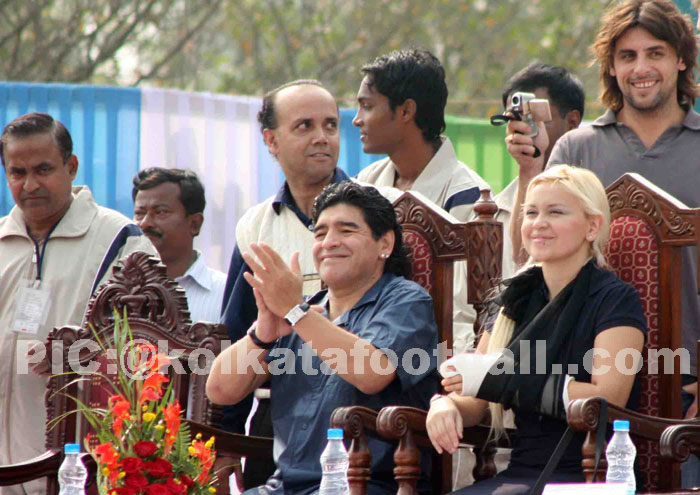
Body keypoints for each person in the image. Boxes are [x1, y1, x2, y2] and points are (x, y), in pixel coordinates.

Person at [505, 0, 699, 452]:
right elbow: (528, 254)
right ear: (611, 67)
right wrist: (529, 172)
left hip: (688, 373)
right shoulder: (576, 147)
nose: (641, 68)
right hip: (585, 374)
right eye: (627, 56)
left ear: (682, 59)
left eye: (656, 53)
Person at [207, 181, 438, 495]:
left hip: (365, 485)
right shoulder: (301, 314)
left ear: (384, 243)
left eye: (346, 230)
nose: (329, 242)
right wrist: (262, 335)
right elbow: (220, 390)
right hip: (284, 487)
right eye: (320, 233)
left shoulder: (406, 301)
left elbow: (373, 373)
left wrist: (295, 313)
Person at [427, 165, 646, 494]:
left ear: (592, 226)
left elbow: (609, 397)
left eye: (555, 212)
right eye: (531, 212)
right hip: (521, 473)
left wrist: (508, 379)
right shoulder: (513, 300)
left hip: (589, 477)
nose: (538, 223)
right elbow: (478, 396)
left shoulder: (616, 300)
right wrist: (443, 405)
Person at [0, 112, 155, 495]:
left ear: (72, 167)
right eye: (17, 172)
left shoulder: (121, 241)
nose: (29, 184)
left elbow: (151, 349)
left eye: (43, 169)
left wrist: (73, 355)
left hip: (79, 468)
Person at [219, 80, 350, 487]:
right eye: (305, 126)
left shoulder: (377, 212)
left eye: (330, 125)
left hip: (359, 408)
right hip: (279, 417)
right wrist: (224, 449)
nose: (322, 137)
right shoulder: (255, 228)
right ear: (271, 140)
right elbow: (238, 337)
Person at [354, 48, 490, 351]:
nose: (357, 120)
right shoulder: (365, 184)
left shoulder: (469, 197)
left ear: (405, 111)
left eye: (367, 106)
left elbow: (463, 313)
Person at [495, 62, 585, 278]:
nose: (526, 129)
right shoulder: (493, 211)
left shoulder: (594, 197)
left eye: (535, 118)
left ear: (572, 122)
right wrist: (530, 168)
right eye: (515, 119)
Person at [132, 167, 226, 323]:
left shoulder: (225, 294)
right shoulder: (118, 292)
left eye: (161, 212)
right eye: (139, 213)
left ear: (194, 224)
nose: (145, 223)